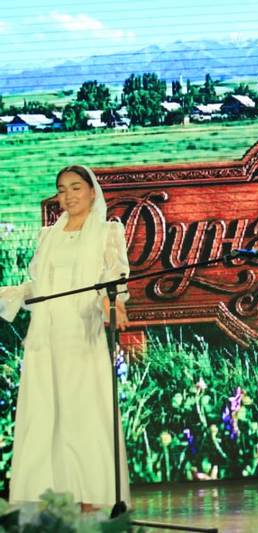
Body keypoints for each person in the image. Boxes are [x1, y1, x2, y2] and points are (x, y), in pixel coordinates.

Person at [0, 165, 131, 512]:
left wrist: (112, 304)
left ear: (91, 191)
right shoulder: (49, 236)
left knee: (84, 414)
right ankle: (51, 495)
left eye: (75, 187)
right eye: (62, 189)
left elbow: (112, 278)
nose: (68, 195)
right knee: (45, 414)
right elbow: (40, 287)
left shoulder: (107, 233)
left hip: (81, 336)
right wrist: (8, 295)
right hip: (45, 338)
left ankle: (93, 494)